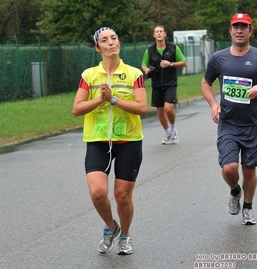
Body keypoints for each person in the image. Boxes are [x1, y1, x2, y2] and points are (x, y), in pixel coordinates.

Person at [72, 27, 147, 255]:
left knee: (122, 196)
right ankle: (110, 226)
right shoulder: (89, 75)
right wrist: (100, 99)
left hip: (129, 140)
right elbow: (77, 109)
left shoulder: (134, 74)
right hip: (98, 140)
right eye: (104, 40)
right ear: (98, 48)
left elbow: (142, 107)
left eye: (114, 38)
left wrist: (113, 99)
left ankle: (125, 235)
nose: (111, 43)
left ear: (119, 42)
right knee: (97, 192)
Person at [201, 13, 257, 225]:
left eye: (244, 27)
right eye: (236, 27)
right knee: (229, 168)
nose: (239, 31)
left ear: (251, 30)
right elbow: (206, 83)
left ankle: (248, 207)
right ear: (230, 30)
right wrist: (214, 104)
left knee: (249, 169)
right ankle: (235, 191)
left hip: (253, 123)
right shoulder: (218, 58)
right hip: (228, 123)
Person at [141, 25, 187, 145]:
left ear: (165, 34)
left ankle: (172, 130)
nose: (159, 33)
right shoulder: (150, 50)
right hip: (156, 83)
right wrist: (146, 70)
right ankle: (167, 133)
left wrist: (170, 64)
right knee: (160, 110)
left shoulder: (173, 48)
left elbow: (183, 62)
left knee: (168, 108)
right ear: (154, 35)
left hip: (170, 82)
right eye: (157, 32)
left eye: (161, 31)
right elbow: (144, 64)